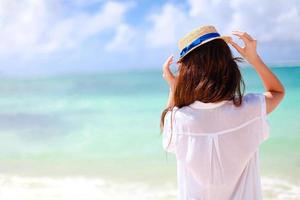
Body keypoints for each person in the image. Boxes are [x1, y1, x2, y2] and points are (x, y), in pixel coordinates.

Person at [161, 25, 285, 200]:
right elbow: (277, 92)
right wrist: (254, 59)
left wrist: (174, 89)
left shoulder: (177, 121)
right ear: (228, 65)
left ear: (188, 73)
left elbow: (169, 117)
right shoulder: (251, 109)